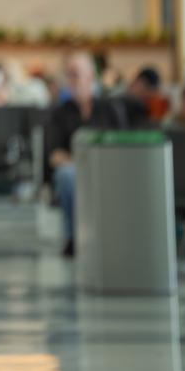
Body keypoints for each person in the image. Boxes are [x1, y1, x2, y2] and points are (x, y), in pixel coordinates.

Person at [46, 52, 127, 258]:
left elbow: (124, 146)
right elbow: (54, 154)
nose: (72, 80)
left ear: (91, 77)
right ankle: (75, 237)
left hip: (108, 168)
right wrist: (78, 162)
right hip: (75, 170)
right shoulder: (60, 113)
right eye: (69, 75)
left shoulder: (109, 108)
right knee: (67, 176)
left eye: (76, 74)